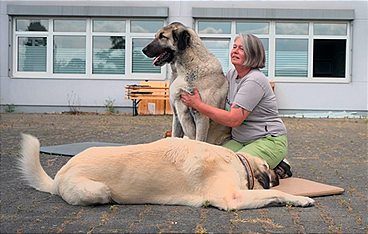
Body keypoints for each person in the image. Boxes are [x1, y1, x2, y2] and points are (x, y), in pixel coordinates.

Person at [180, 34, 292, 178]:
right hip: (240, 141)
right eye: (234, 47)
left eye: (241, 49)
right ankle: (270, 165)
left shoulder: (254, 80)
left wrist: (198, 105)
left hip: (268, 140)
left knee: (230, 170)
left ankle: (276, 168)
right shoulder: (232, 74)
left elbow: (234, 119)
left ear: (253, 53)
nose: (235, 51)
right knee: (212, 162)